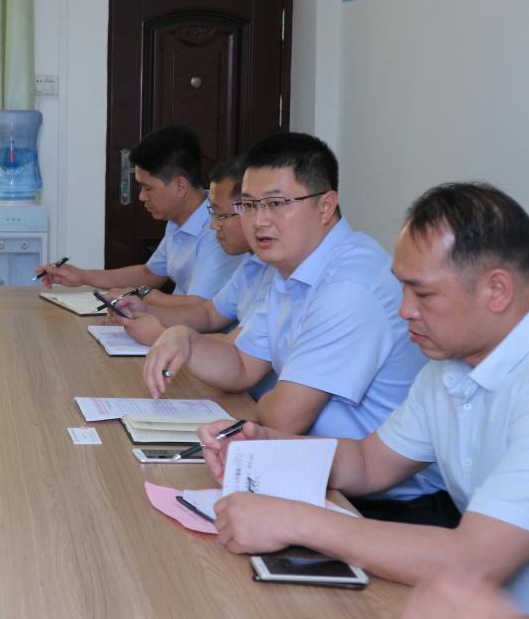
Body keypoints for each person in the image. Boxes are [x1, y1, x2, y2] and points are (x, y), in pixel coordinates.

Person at [197, 183, 529, 609]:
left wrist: (296, 521)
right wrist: (268, 448)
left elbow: (473, 562)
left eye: (423, 293)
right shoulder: (447, 369)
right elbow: (371, 462)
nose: (405, 309)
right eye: (402, 288)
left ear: (496, 291)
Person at [144, 133, 449, 523]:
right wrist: (185, 339)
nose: (259, 220)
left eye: (276, 203)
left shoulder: (349, 286)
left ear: (326, 205)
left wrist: (261, 407)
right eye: (249, 205)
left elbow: (283, 419)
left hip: (385, 506)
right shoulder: (290, 269)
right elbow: (241, 364)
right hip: (318, 473)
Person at [110, 156, 277, 399]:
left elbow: (238, 355)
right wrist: (147, 309)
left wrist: (161, 335)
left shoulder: (281, 273)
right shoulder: (253, 264)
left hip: (249, 399)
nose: (213, 226)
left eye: (220, 215)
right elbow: (208, 313)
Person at [35, 125, 242, 298]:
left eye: (148, 188)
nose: (141, 197)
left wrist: (136, 299)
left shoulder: (220, 229)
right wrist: (82, 276)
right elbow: (150, 274)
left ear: (180, 186)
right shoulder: (178, 220)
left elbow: (199, 310)